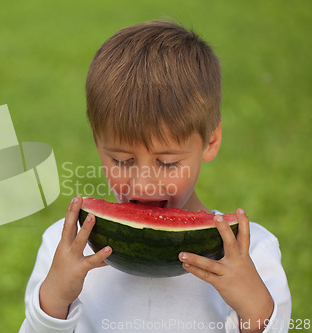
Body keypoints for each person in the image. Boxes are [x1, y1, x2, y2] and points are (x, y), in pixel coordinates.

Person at [19, 20, 291, 333]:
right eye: (122, 160)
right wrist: (54, 299)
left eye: (167, 163)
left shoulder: (252, 253)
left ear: (211, 141)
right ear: (97, 142)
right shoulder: (65, 247)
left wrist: (255, 308)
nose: (143, 184)